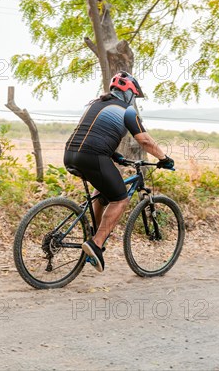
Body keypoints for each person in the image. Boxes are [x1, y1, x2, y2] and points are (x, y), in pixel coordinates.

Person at [64, 71, 174, 273]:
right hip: (92, 156)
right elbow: (145, 140)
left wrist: (114, 156)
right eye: (134, 97)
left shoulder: (94, 104)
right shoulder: (127, 111)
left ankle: (95, 233)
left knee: (101, 191)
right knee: (120, 199)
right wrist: (164, 159)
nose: (133, 101)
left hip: (70, 154)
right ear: (129, 93)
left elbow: (91, 132)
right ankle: (96, 244)